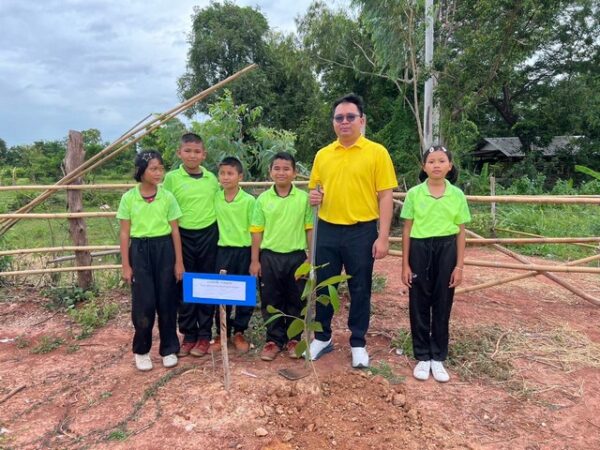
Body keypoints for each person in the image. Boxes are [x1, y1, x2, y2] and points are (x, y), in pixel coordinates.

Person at [308, 93, 397, 368]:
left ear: (362, 120)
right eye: (339, 117)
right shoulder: (323, 155)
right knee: (325, 284)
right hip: (327, 230)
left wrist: (383, 236)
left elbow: (385, 196)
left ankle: (358, 342)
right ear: (333, 122)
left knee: (360, 287)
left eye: (350, 117)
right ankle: (322, 337)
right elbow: (314, 190)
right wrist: (314, 196)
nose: (344, 122)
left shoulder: (377, 152)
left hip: (362, 231)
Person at [400, 145, 470, 382]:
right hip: (419, 249)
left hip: (447, 249)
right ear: (424, 166)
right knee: (418, 301)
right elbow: (407, 229)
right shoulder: (414, 194)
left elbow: (461, 232)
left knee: (443, 301)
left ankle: (438, 356)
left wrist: (459, 266)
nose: (436, 165)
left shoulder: (457, 195)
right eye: (431, 161)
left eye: (441, 161)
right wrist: (405, 265)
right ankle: (422, 355)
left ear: (450, 166)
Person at [117, 150, 184, 371]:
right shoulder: (129, 198)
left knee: (167, 300)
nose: (158, 173)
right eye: (153, 169)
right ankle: (142, 350)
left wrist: (179, 262)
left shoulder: (167, 197)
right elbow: (125, 233)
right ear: (141, 171)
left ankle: (169, 348)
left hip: (164, 249)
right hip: (139, 251)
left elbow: (175, 231)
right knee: (143, 303)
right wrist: (126, 265)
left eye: (161, 168)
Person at [250, 152, 313, 361]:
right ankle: (273, 340)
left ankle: (294, 339)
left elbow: (310, 229)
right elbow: (257, 231)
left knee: (296, 298)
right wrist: (255, 260)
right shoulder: (263, 199)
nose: (281, 172)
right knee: (271, 299)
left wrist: (310, 258)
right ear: (270, 172)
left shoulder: (303, 199)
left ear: (294, 173)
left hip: (296, 257)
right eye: (277, 168)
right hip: (269, 257)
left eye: (286, 169)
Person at [163, 133, 219, 358]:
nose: (192, 155)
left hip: (208, 235)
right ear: (179, 153)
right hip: (182, 236)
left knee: (205, 283)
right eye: (188, 151)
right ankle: (188, 334)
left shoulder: (212, 179)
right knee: (185, 283)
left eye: (197, 151)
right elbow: (166, 207)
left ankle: (204, 335)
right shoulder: (171, 179)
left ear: (204, 154)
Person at [211, 156, 256, 354]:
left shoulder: (249, 201)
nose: (226, 177)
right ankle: (222, 333)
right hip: (223, 251)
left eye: (230, 173)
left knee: (245, 292)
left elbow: (255, 231)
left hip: (244, 251)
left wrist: (255, 259)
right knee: (221, 292)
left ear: (240, 176)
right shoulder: (215, 198)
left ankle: (239, 332)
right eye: (222, 173)